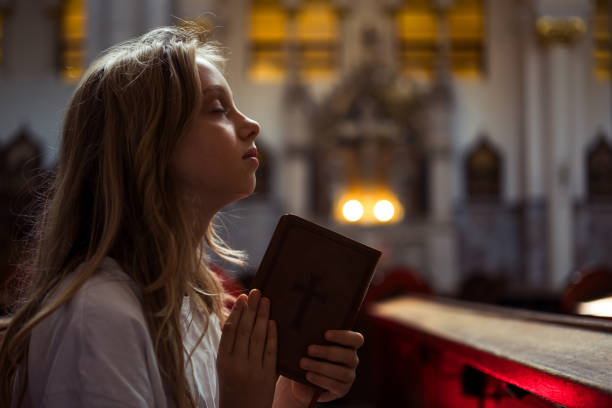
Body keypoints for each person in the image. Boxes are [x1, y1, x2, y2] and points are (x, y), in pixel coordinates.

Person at [0, 25, 364, 408]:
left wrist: (290, 393)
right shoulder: (103, 316)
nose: (251, 125)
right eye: (219, 109)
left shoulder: (196, 303)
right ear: (150, 144)